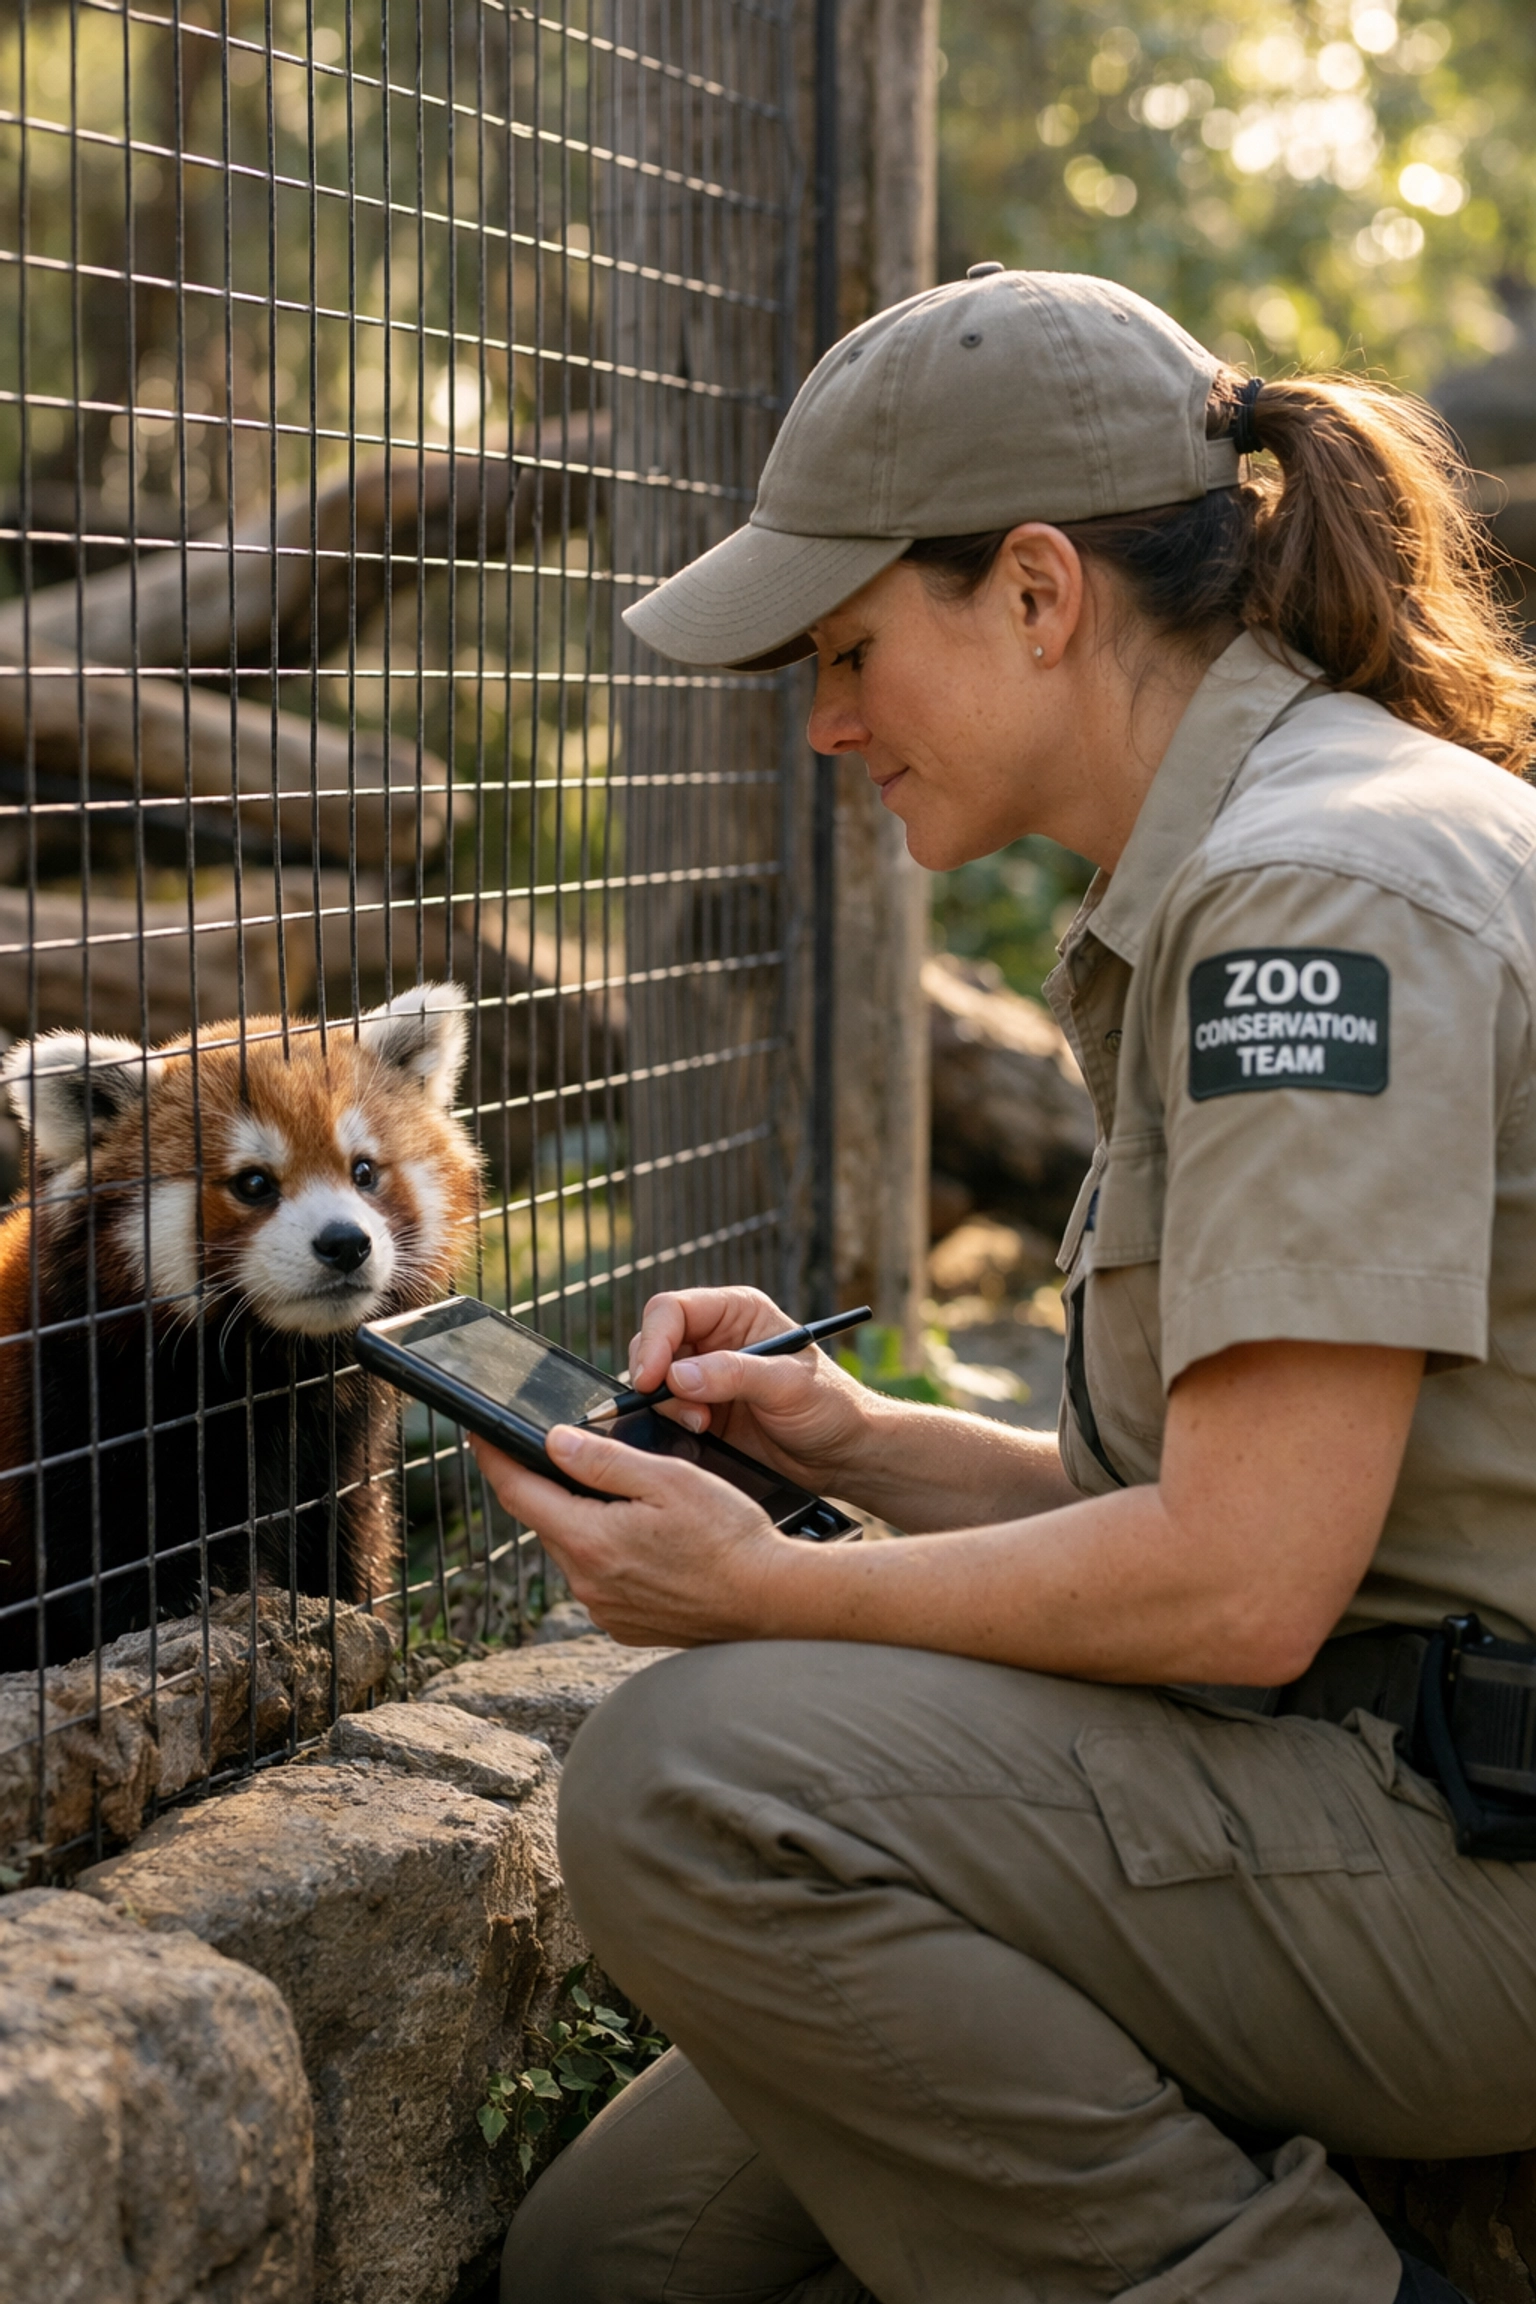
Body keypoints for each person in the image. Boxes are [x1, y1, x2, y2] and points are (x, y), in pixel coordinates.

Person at [473, 268, 1536, 2304]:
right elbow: (1273, 1513)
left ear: (1039, 595)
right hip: (1366, 1767)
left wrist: (762, 1590)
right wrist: (864, 1449)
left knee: (689, 1780)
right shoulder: (1268, 848)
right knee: (622, 2259)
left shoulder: (1313, 903)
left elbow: (1240, 1582)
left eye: (855, 644)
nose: (825, 719)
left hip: (1468, 1858)